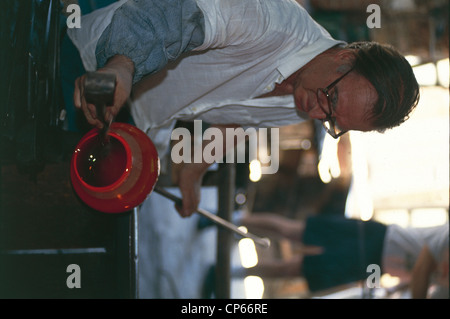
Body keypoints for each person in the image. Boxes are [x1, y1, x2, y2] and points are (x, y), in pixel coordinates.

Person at [66, 0, 420, 217]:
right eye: (332, 100)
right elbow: (171, 16)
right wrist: (121, 67)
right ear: (346, 57)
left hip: (138, 122)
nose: (315, 112)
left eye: (331, 120)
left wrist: (196, 167)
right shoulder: (267, 20)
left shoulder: (311, 97)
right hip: (87, 63)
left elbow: (242, 120)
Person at [237, 213, 449, 298]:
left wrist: (392, 290)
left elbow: (417, 278)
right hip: (376, 237)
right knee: (295, 232)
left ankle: (232, 272)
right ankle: (238, 219)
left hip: (374, 266)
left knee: (294, 269)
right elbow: (423, 263)